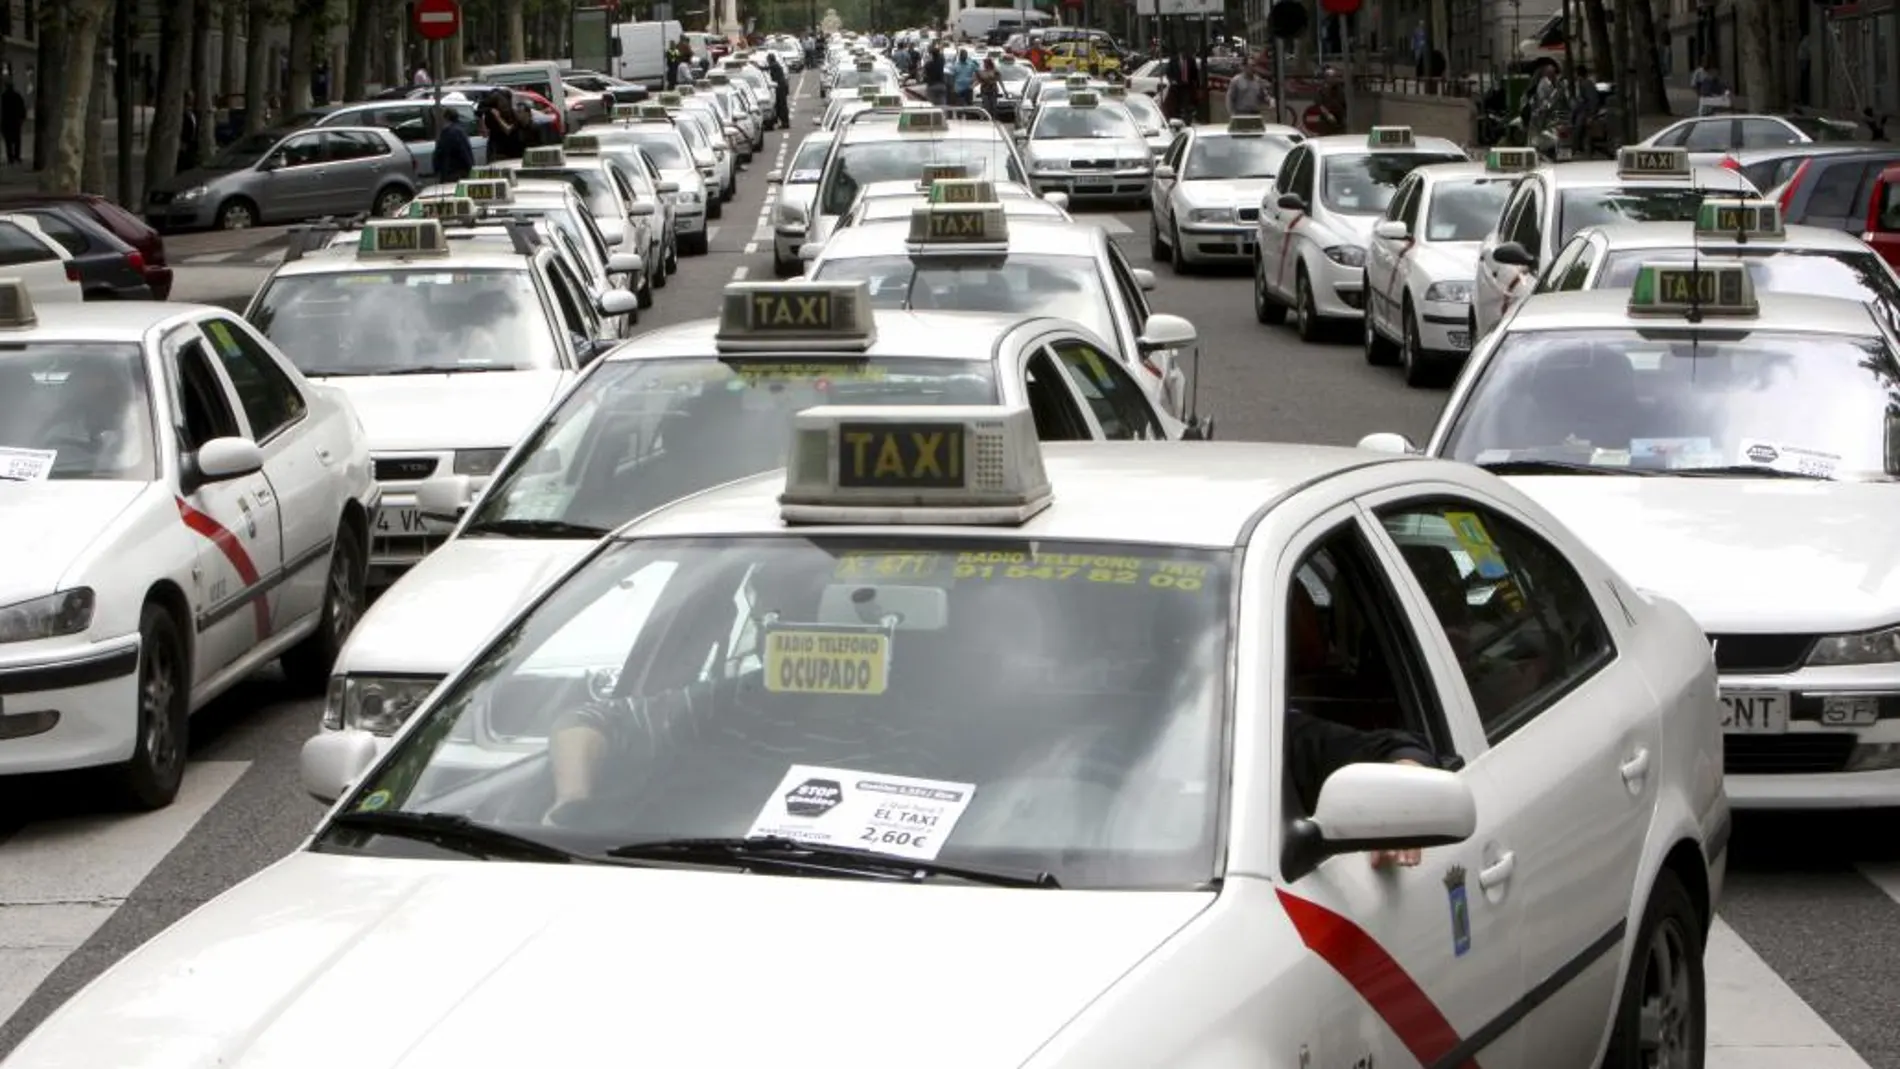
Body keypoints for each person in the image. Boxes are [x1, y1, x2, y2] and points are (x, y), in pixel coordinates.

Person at [431, 106, 474, 186]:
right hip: (462, 171)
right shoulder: (460, 130)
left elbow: (440, 153)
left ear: (446, 118)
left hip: (452, 172)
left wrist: (436, 169)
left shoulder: (448, 133)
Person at [1570, 64, 1602, 157]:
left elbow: (1593, 99)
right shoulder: (1580, 83)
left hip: (1585, 111)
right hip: (1580, 111)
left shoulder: (1586, 83)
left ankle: (1579, 149)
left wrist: (1591, 115)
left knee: (1580, 129)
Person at [765, 49, 790, 127]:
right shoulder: (776, 64)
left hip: (781, 87)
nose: (767, 61)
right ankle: (783, 122)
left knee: (782, 105)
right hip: (780, 86)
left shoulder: (774, 65)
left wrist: (756, 66)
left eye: (768, 59)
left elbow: (766, 68)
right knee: (780, 105)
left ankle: (785, 122)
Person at [0, 80, 23, 165]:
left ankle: (10, 157)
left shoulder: (3, 97)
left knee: (8, 141)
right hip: (15, 121)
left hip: (6, 121)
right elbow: (21, 108)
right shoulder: (17, 96)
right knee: (17, 140)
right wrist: (21, 118)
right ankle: (17, 156)